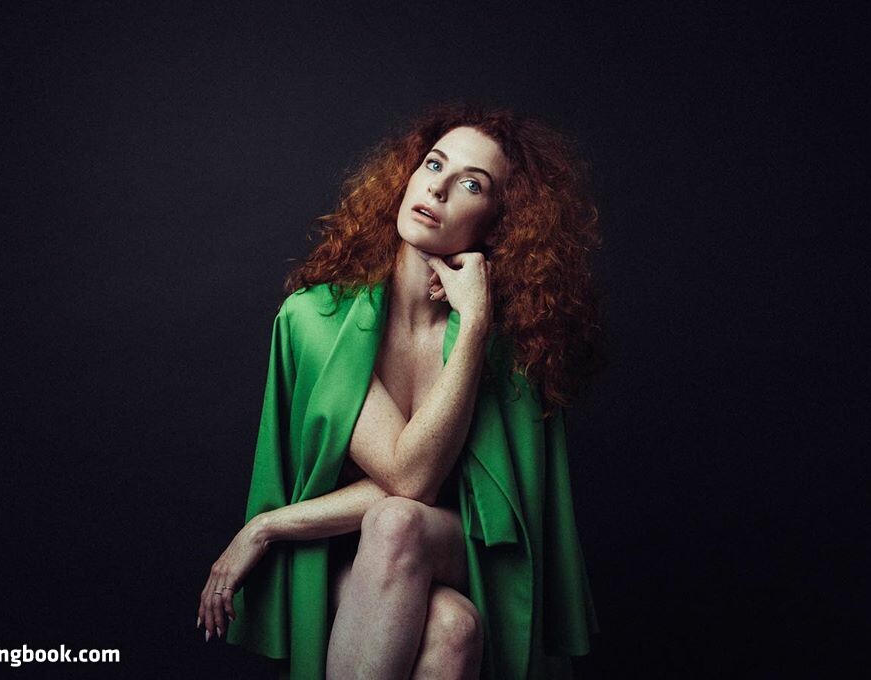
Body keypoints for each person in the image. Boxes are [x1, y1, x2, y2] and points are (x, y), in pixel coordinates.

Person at [196, 101, 601, 680]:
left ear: (501, 222)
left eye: (471, 185)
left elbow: (419, 491)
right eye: (434, 165)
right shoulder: (318, 320)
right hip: (344, 558)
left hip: (469, 553)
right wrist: (267, 525)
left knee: (399, 523)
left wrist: (474, 326)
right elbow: (406, 477)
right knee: (451, 628)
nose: (438, 189)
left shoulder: (514, 350)